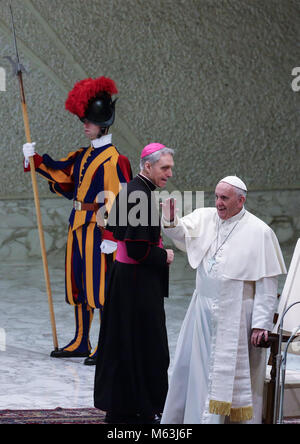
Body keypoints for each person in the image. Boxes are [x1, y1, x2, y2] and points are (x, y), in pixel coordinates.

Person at [22, 76, 132, 365]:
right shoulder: (85, 155)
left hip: (99, 230)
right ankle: (82, 340)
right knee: (80, 285)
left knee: (100, 288)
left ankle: (105, 345)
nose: (85, 124)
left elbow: (118, 200)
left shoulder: (113, 159)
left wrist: (111, 237)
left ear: (103, 123)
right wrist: (36, 161)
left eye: (90, 120)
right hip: (78, 226)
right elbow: (64, 175)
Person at [160, 176, 287, 424]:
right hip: (202, 311)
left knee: (230, 377)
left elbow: (267, 284)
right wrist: (170, 219)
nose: (218, 203)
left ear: (241, 200)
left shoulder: (260, 231)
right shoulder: (206, 217)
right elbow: (181, 233)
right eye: (216, 197)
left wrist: (261, 324)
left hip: (237, 313)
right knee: (194, 370)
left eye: (224, 198)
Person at [94, 143, 175, 424]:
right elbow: (140, 251)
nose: (169, 174)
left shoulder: (133, 189)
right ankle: (140, 407)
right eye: (164, 168)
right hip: (137, 284)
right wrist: (165, 255)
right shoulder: (139, 195)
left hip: (127, 281)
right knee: (145, 346)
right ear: (148, 166)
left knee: (126, 344)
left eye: (171, 168)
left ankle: (127, 407)